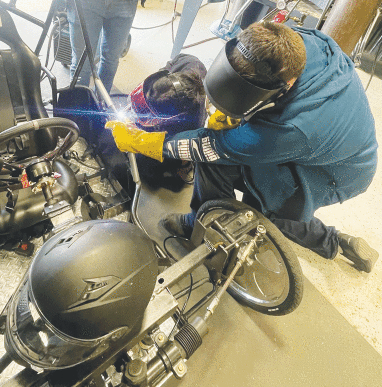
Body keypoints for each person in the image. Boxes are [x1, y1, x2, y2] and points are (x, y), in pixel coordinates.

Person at [107, 22, 379, 273]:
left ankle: (200, 229)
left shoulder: (292, 129)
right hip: (336, 139)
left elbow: (211, 146)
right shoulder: (292, 42)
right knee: (248, 190)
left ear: (286, 85)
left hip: (336, 171)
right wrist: (233, 109)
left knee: (260, 205)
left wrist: (146, 142)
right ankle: (338, 242)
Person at [97, 53, 207, 191]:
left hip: (180, 140)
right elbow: (168, 68)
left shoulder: (193, 123)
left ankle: (184, 167)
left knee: (148, 165)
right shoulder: (188, 61)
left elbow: (177, 146)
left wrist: (140, 138)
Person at [66, 0, 137, 93]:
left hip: (124, 5)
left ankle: (100, 104)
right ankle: (78, 102)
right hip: (85, 4)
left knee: (110, 62)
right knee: (82, 64)